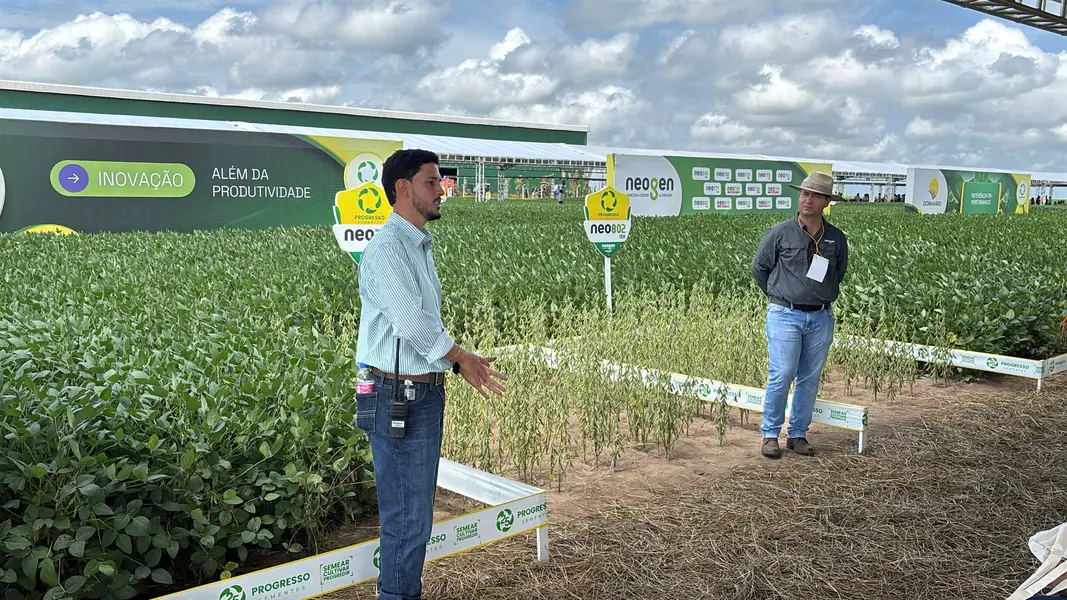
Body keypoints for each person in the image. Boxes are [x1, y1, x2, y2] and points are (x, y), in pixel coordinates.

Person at [354, 148, 507, 600]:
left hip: (417, 392)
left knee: (413, 517)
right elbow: (413, 322)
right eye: (430, 181)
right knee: (407, 519)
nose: (441, 189)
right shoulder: (387, 248)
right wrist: (461, 357)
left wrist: (455, 361)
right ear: (403, 189)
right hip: (397, 393)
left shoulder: (415, 244)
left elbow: (422, 326)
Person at [750, 171, 848, 459]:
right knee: (782, 373)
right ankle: (770, 434)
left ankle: (797, 434)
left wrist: (816, 297)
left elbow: (838, 273)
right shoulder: (780, 233)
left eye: (815, 195)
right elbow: (759, 270)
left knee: (810, 377)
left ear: (826, 201)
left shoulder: (836, 239)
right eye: (804, 193)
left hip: (820, 317)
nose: (807, 199)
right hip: (784, 314)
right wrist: (780, 296)